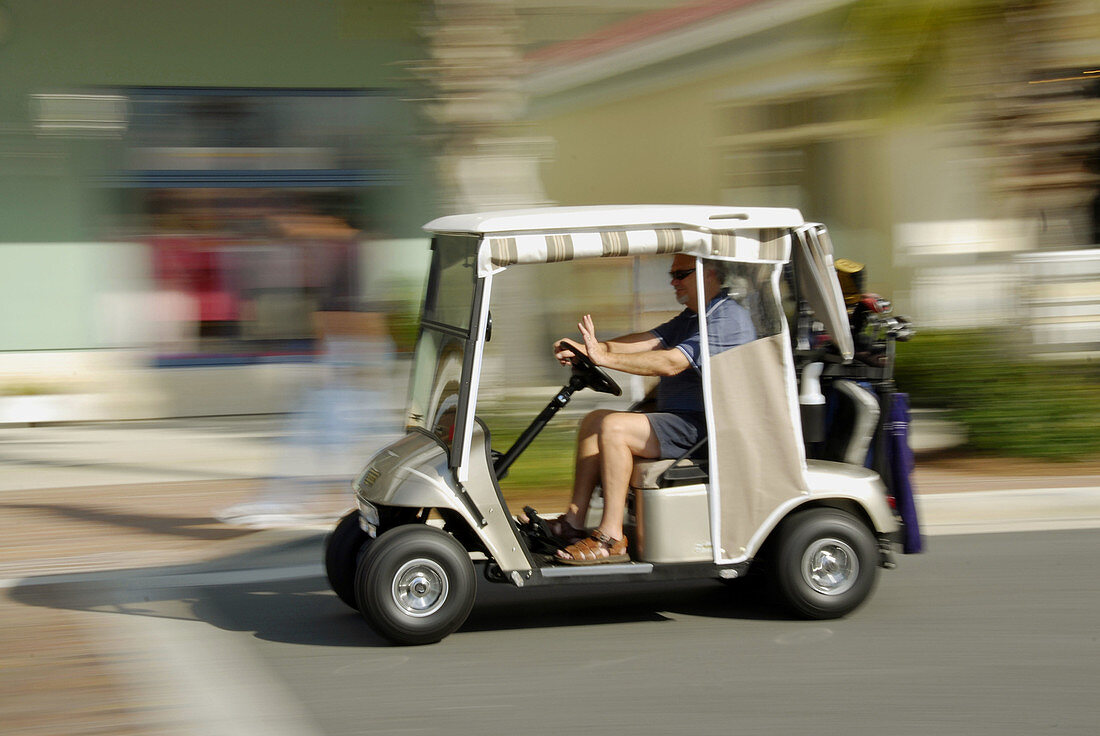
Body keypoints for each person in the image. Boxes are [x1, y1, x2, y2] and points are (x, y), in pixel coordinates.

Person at [538, 254, 755, 564]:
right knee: (594, 420)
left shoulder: (727, 319)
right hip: (680, 422)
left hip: (705, 429)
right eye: (673, 274)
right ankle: (572, 523)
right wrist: (587, 349)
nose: (673, 281)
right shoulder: (692, 317)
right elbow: (644, 342)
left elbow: (669, 363)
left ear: (709, 274)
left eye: (681, 274)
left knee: (614, 427)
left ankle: (610, 537)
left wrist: (604, 358)